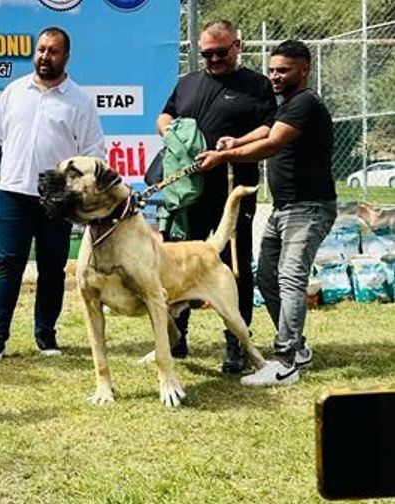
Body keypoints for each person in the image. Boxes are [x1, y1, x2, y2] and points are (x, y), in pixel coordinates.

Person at [196, 40, 336, 387]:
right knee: (267, 277)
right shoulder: (287, 104)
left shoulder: (305, 104)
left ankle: (285, 361)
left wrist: (224, 157)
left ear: (304, 70)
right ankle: (298, 348)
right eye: (272, 70)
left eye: (283, 70)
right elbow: (266, 131)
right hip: (283, 207)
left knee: (289, 278)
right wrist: (236, 142)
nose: (274, 76)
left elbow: (273, 143)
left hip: (309, 207)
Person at [0, 27, 105, 364]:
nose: (45, 56)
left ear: (66, 56)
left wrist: (84, 195)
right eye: (41, 49)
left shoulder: (80, 101)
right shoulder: (15, 91)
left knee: (52, 267)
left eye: (53, 51)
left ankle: (46, 333)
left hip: (57, 200)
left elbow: (93, 152)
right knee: (8, 265)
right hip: (13, 192)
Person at [156, 20, 277, 373]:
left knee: (233, 265)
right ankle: (177, 338)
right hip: (185, 194)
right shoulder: (187, 83)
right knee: (175, 263)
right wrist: (173, 133)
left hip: (229, 190)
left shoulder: (256, 85)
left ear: (237, 46)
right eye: (206, 54)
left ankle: (236, 344)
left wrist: (234, 144)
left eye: (220, 53)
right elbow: (165, 116)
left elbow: (268, 128)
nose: (213, 60)